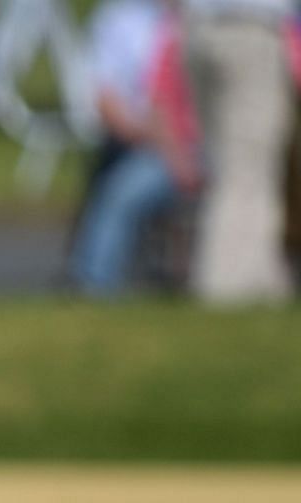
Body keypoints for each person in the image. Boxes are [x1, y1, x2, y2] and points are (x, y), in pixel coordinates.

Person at [71, 0, 201, 294]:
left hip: (198, 146)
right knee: (122, 191)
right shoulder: (122, 18)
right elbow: (115, 100)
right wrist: (167, 148)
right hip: (150, 143)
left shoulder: (200, 20)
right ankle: (94, 284)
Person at [181, 0, 296, 302]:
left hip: (199, 29)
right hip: (250, 30)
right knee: (248, 178)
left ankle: (267, 285)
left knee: (230, 173)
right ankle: (223, 292)